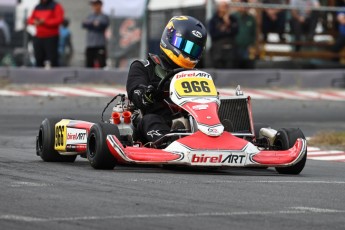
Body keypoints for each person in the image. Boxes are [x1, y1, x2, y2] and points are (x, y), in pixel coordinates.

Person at [126, 16, 207, 146]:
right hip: (154, 123)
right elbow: (135, 91)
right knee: (150, 120)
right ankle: (169, 143)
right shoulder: (143, 66)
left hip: (192, 121)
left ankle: (223, 138)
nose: (188, 52)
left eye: (194, 50)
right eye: (184, 45)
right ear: (169, 38)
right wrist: (146, 94)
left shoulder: (197, 75)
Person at [27, 0, 64, 67]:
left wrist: (45, 22)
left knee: (52, 59)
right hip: (39, 36)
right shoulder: (37, 7)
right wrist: (35, 22)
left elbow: (59, 20)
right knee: (38, 59)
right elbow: (30, 20)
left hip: (51, 37)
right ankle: (39, 76)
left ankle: (54, 75)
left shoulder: (56, 6)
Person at [208, 1, 238, 68]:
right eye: (223, 7)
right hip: (217, 51)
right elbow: (213, 34)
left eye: (226, 7)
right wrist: (225, 26)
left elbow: (235, 32)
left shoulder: (233, 19)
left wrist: (228, 24)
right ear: (218, 8)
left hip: (231, 51)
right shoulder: (213, 20)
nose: (225, 9)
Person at [82, 0, 109, 68]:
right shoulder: (90, 16)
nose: (94, 7)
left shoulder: (104, 16)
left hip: (100, 45)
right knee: (88, 65)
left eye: (95, 4)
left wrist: (91, 24)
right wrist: (93, 24)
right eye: (93, 5)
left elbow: (101, 25)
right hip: (90, 45)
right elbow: (84, 24)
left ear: (100, 5)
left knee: (101, 65)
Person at [232, 0, 256, 69]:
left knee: (246, 66)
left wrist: (253, 45)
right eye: (242, 5)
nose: (243, 7)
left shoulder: (251, 18)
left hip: (246, 48)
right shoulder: (233, 17)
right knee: (235, 65)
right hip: (235, 46)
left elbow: (253, 33)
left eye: (245, 5)